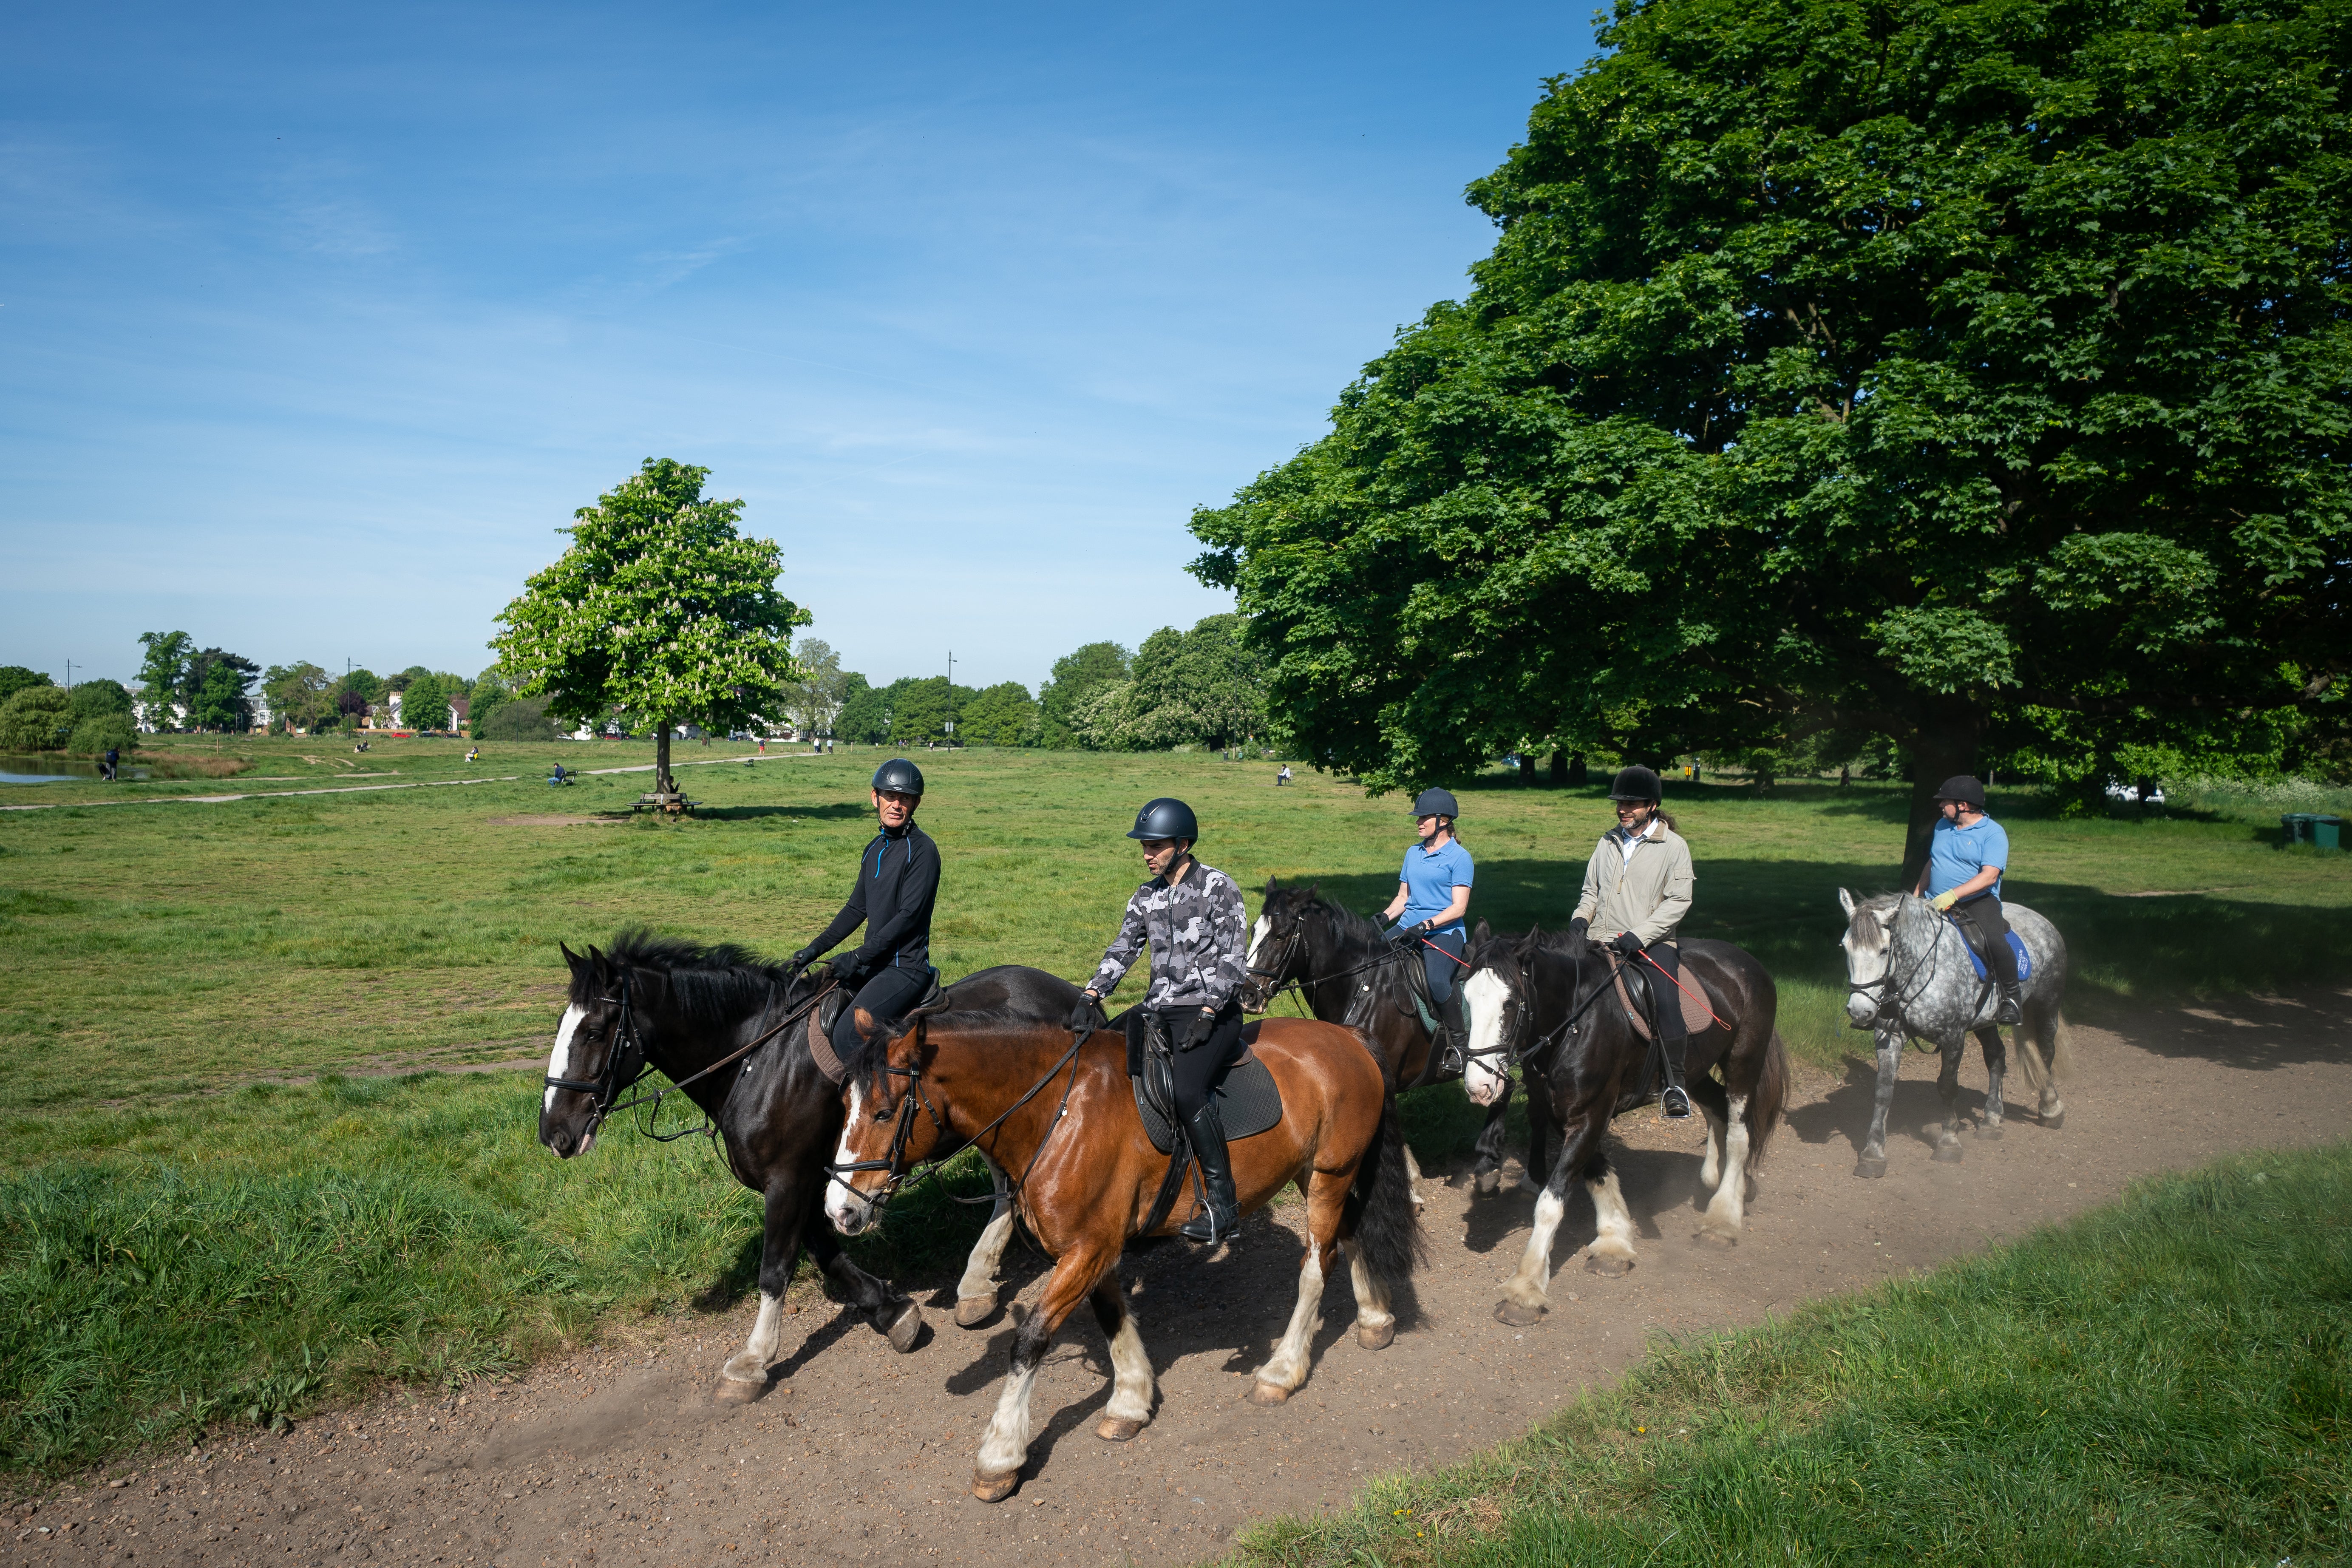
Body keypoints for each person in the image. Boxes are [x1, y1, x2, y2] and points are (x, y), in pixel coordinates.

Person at [1071, 797, 1250, 1244]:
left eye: (1155, 846)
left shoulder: (1217, 887)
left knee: (1188, 1091)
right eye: (1144, 847)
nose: (1147, 854)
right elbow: (1123, 949)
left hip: (1212, 1012)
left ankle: (1223, 1205)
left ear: (1182, 844)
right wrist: (1091, 993)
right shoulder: (1145, 895)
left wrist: (1210, 1010)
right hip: (1159, 1009)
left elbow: (1234, 956)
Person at [791, 758, 942, 1063]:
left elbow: (908, 917)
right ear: (875, 797)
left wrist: (858, 956)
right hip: (874, 965)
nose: (896, 804)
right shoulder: (874, 848)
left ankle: (881, 1109)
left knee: (848, 1035)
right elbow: (855, 908)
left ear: (915, 803)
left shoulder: (923, 851)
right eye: (890, 796)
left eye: (905, 798)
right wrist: (813, 948)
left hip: (905, 969)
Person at [1570, 765, 1697, 1119]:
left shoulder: (1674, 847)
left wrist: (1639, 935)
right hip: (1600, 939)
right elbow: (1590, 891)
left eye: (1631, 803)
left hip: (1651, 941)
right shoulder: (1607, 841)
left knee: (1666, 1001)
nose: (1623, 808)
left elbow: (1679, 901)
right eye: (1619, 802)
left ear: (1652, 805)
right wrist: (1581, 918)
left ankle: (1676, 1084)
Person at [1916, 775, 2021, 1025]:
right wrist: (1917, 895)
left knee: (1995, 942)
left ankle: (2012, 1000)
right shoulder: (1942, 827)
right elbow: (1934, 862)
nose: (1941, 806)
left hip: (1978, 902)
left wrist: (1953, 895)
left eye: (1945, 802)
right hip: (1934, 900)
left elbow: (1989, 876)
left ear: (1963, 805)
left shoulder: (1993, 833)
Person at [1380, 787, 1474, 1059]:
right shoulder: (1413, 853)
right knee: (1371, 958)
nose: (1418, 822)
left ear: (1443, 821)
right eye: (1418, 817)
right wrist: (1386, 916)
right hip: (1409, 925)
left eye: (1424, 817)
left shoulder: (1460, 858)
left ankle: (1459, 1044)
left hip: (1445, 931)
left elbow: (1459, 907)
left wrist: (1428, 925)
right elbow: (1403, 897)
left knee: (1437, 980)